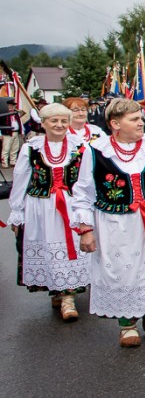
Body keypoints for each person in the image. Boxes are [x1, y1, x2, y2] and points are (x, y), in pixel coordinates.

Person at [71, 97, 145, 346]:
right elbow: (82, 192)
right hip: (116, 224)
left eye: (141, 117)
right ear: (115, 123)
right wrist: (85, 230)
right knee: (122, 270)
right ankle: (127, 324)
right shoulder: (96, 151)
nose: (141, 122)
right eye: (134, 119)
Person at [8, 103, 90, 321]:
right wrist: (17, 211)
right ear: (43, 124)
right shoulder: (31, 148)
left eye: (64, 121)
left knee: (71, 248)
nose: (59, 125)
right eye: (54, 121)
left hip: (71, 206)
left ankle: (68, 298)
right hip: (41, 207)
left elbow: (87, 178)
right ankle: (57, 290)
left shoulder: (79, 146)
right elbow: (21, 180)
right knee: (48, 249)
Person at [1, 98, 24, 168]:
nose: (10, 107)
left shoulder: (16, 114)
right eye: (9, 106)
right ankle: (4, 163)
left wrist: (22, 132)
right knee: (6, 149)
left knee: (15, 148)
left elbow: (20, 123)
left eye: (12, 106)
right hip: (7, 134)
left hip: (16, 133)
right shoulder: (3, 114)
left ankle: (13, 162)